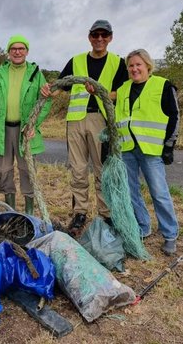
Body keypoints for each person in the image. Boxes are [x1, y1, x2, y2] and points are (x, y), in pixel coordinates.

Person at [87, 48, 180, 255]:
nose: (134, 69)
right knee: (131, 192)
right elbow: (111, 105)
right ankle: (143, 227)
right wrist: (95, 90)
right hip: (127, 149)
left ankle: (170, 234)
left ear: (148, 65)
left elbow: (174, 117)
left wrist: (169, 146)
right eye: (130, 66)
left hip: (151, 150)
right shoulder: (124, 88)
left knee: (159, 193)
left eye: (138, 64)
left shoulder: (163, 85)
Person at [41, 20, 127, 232]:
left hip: (102, 119)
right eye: (95, 35)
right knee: (78, 169)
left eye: (104, 35)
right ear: (89, 37)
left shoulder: (118, 62)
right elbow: (61, 85)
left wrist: (100, 92)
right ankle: (80, 213)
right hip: (76, 120)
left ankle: (106, 215)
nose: (99, 39)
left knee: (101, 170)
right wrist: (47, 90)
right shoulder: (76, 60)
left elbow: (122, 92)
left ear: (110, 38)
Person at [0, 34, 52, 214]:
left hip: (26, 131)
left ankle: (29, 213)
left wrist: (34, 125)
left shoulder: (36, 74)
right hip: (3, 131)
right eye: (13, 49)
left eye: (21, 48)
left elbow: (45, 101)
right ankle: (10, 211)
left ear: (27, 51)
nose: (17, 52)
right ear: (8, 52)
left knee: (27, 169)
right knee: (4, 170)